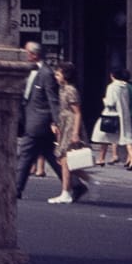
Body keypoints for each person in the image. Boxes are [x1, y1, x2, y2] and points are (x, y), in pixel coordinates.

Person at [14, 41, 60, 199]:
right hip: (31, 118)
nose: (24, 54)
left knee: (25, 154)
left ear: (34, 55)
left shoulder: (46, 73)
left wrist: (56, 121)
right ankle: (75, 184)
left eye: (26, 52)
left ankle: (16, 188)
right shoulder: (29, 71)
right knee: (50, 154)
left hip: (39, 121)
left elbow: (52, 99)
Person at [48, 63, 92, 204]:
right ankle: (88, 182)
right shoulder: (63, 89)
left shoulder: (70, 90)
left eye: (58, 74)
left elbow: (77, 113)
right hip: (65, 124)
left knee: (65, 160)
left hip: (71, 125)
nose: (56, 77)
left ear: (65, 76)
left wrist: (75, 132)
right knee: (63, 160)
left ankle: (66, 192)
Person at [91, 66, 132, 169]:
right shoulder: (125, 87)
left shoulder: (112, 87)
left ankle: (101, 158)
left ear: (112, 75)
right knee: (127, 137)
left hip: (111, 115)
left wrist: (104, 100)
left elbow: (110, 102)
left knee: (103, 134)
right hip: (124, 114)